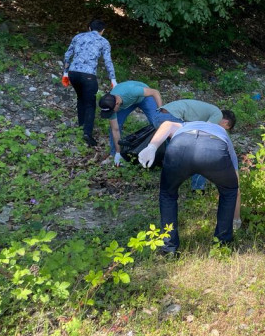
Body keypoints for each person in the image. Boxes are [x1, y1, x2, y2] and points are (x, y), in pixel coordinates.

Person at [137, 120, 240, 255]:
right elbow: (235, 182)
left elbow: (167, 124)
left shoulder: (183, 125)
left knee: (167, 194)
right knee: (229, 191)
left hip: (180, 148)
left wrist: (152, 146)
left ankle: (169, 248)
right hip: (214, 148)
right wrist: (236, 219)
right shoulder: (221, 131)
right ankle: (223, 244)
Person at [153, 99, 236, 192]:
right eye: (225, 129)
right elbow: (206, 134)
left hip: (159, 116)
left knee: (174, 154)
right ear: (225, 123)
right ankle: (197, 188)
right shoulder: (218, 114)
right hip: (171, 117)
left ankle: (168, 183)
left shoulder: (207, 113)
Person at [63, 19, 117, 147]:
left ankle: (81, 127)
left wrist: (65, 73)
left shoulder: (78, 37)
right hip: (88, 76)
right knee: (90, 104)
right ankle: (87, 133)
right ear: (102, 31)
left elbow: (67, 55)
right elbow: (108, 62)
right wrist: (113, 80)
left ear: (89, 28)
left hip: (73, 74)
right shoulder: (103, 41)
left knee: (80, 98)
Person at [99, 80, 162, 166]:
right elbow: (115, 129)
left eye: (112, 111)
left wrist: (160, 110)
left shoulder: (132, 91)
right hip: (128, 102)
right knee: (116, 125)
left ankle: (161, 150)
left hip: (143, 97)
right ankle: (114, 154)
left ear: (117, 103)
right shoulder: (110, 104)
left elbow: (155, 92)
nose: (112, 114)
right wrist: (118, 153)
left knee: (157, 122)